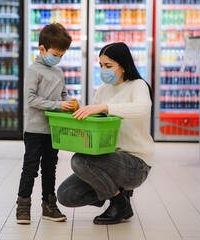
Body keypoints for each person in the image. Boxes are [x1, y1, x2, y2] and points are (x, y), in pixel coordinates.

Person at [57, 42, 155, 225]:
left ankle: (119, 203)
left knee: (80, 160)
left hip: (136, 162)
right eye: (101, 65)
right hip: (108, 158)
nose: (103, 70)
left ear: (123, 67)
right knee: (65, 195)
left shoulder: (138, 85)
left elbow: (142, 109)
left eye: (108, 66)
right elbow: (99, 124)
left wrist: (105, 107)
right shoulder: (103, 90)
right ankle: (118, 193)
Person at [16, 23, 75, 224]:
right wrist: (58, 105)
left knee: (50, 168)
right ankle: (23, 206)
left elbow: (63, 95)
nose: (58, 58)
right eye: (55, 53)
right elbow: (32, 99)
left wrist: (72, 104)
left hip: (53, 130)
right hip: (34, 130)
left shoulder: (58, 73)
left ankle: (49, 206)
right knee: (30, 168)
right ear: (42, 49)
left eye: (61, 54)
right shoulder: (34, 71)